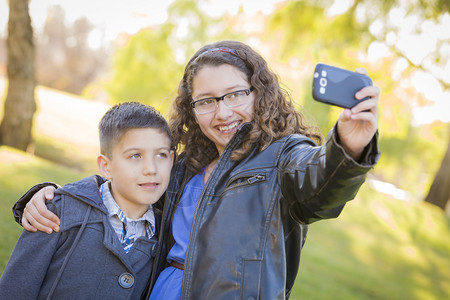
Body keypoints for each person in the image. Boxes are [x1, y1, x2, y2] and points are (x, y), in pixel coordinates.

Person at [12, 40, 380, 299]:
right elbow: (127, 187)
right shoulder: (184, 165)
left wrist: (347, 147)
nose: (222, 113)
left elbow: (320, 190)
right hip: (160, 291)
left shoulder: (284, 156)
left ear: (259, 93)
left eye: (235, 94)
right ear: (191, 108)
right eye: (206, 101)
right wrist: (51, 197)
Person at [0, 102, 174, 299]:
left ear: (172, 160)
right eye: (135, 156)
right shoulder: (56, 213)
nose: (151, 169)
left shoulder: (166, 235)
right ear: (106, 166)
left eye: (161, 155)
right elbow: (14, 289)